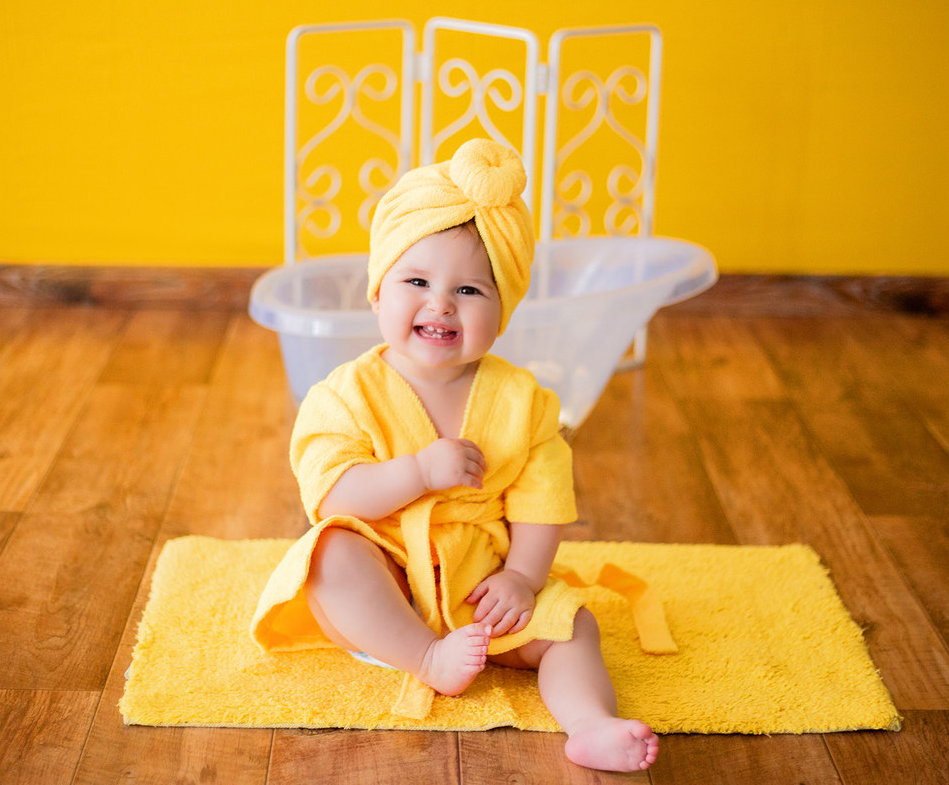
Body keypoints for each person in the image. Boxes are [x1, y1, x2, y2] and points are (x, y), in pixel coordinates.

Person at [250, 138, 659, 772]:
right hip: (385, 579)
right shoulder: (346, 393)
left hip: (480, 585)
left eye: (469, 290)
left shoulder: (522, 400)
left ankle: (590, 723)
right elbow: (330, 495)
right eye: (416, 281)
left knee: (573, 627)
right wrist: (416, 473)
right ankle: (425, 657)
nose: (441, 303)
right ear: (379, 293)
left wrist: (521, 578)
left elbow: (541, 500)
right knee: (330, 553)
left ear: (503, 311)